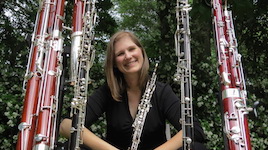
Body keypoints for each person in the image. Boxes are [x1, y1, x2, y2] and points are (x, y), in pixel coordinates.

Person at [60, 31, 207, 150]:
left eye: (131, 49)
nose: (128, 56)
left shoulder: (161, 91)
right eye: (120, 54)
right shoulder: (108, 91)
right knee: (70, 146)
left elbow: (194, 129)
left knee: (196, 147)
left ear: (141, 52)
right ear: (115, 63)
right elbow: (66, 125)